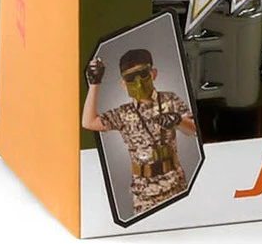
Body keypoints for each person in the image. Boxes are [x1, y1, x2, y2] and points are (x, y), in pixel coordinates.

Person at [83, 48, 196, 216]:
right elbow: (89, 122)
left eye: (143, 74)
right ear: (123, 83)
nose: (138, 82)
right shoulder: (123, 114)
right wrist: (94, 84)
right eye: (130, 78)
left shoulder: (170, 100)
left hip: (176, 185)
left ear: (153, 73)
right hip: (144, 195)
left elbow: (194, 130)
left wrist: (178, 120)